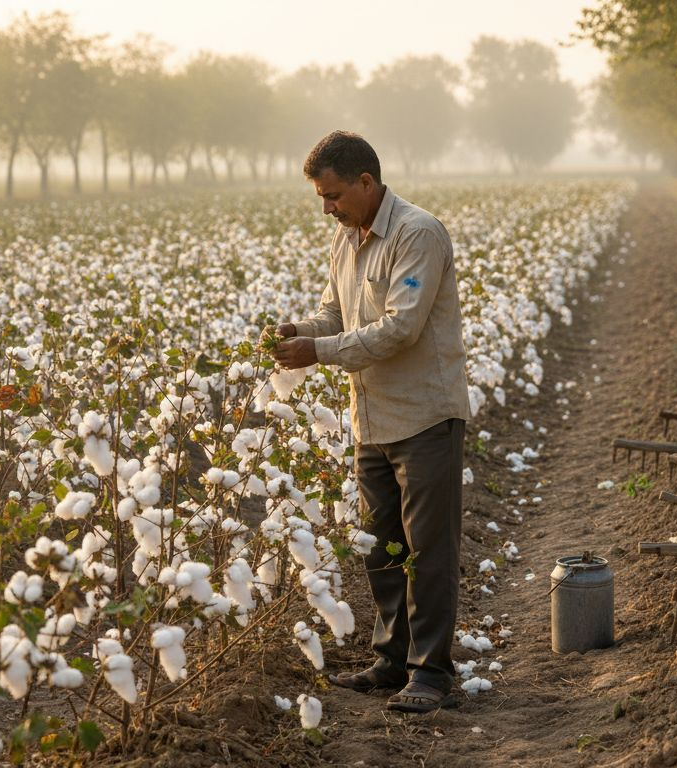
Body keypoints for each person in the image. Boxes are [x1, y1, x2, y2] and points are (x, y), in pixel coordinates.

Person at [266, 130, 470, 713]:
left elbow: (401, 327)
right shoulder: (347, 239)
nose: (327, 208)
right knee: (380, 547)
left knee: (427, 550)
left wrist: (320, 354)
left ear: (365, 181)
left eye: (333, 195)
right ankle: (390, 661)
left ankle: (431, 674)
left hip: (425, 416)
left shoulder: (417, 234)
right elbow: (337, 313)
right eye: (321, 199)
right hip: (372, 418)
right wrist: (300, 332)